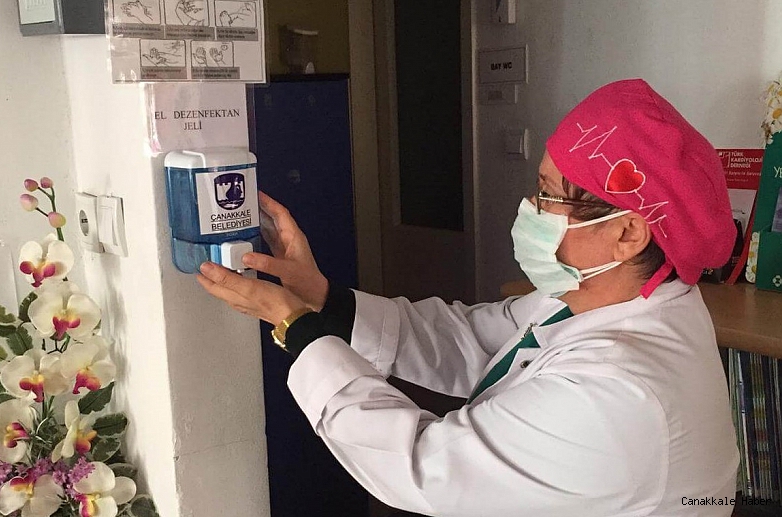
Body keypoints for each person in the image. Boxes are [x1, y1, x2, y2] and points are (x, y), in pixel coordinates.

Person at [197, 79, 739, 516]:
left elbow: (422, 466)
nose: (530, 208)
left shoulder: (619, 394)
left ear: (628, 233)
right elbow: (474, 341)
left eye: (549, 196)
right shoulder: (602, 295)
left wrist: (299, 329)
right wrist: (322, 298)